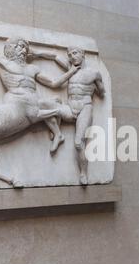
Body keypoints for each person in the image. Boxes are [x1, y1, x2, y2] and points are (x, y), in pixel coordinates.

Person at [30, 46, 105, 184]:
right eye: (70, 54)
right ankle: (57, 133)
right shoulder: (70, 68)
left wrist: (95, 88)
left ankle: (83, 173)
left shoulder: (94, 73)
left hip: (85, 108)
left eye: (75, 53)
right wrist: (37, 54)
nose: (72, 56)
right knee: (45, 106)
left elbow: (102, 92)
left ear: (83, 55)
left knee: (78, 143)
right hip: (70, 108)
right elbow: (53, 56)